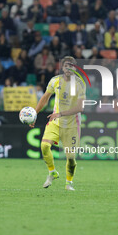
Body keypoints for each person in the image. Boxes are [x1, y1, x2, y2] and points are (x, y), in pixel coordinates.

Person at [29, 56, 86, 191]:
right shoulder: (55, 81)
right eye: (66, 65)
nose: (68, 68)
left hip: (72, 125)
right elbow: (45, 98)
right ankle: (52, 172)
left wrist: (60, 113)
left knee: (71, 158)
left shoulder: (79, 84)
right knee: (44, 146)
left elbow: (80, 108)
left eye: (71, 66)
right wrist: (35, 114)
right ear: (62, 67)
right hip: (55, 122)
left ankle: (69, 183)